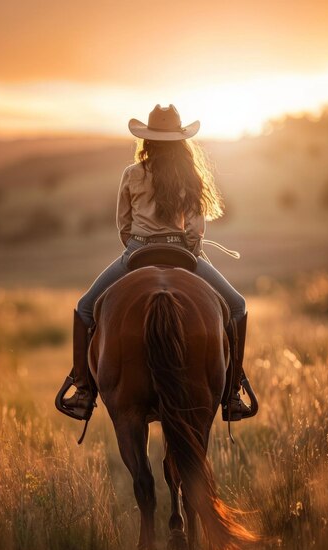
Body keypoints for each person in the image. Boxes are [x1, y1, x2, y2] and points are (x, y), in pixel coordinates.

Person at [56, 104, 257, 424]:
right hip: (184, 254)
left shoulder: (132, 173)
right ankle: (232, 394)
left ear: (147, 140)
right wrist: (188, 246)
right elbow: (195, 229)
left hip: (137, 252)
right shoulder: (190, 173)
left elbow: (123, 225)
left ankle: (82, 389)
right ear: (180, 141)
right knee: (236, 307)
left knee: (84, 308)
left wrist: (139, 246)